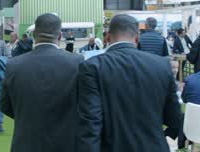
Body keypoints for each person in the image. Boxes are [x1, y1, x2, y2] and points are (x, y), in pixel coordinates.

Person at [77, 14, 181, 152]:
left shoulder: (92, 67)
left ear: (107, 37)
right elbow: (174, 118)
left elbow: (91, 122)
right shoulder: (162, 65)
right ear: (137, 37)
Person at [0, 13, 84, 152]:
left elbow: (5, 105)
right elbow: (85, 104)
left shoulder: (14, 65)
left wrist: (27, 117)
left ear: (33, 34)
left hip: (26, 142)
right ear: (60, 36)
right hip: (65, 143)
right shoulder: (77, 62)